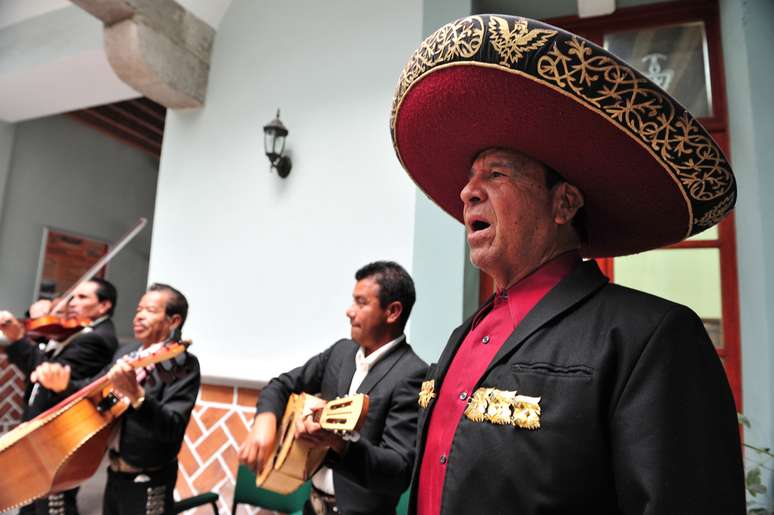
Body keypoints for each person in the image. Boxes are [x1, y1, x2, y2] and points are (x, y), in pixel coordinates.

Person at [389, 14, 745, 515]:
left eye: (496, 173)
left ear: (564, 204)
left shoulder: (650, 339)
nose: (467, 192)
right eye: (470, 178)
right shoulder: (463, 335)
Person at [239, 261, 428, 515]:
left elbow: (398, 471)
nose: (349, 311)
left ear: (392, 311)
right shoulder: (341, 352)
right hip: (312, 506)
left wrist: (340, 444)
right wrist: (265, 420)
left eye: (361, 303)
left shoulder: (412, 374)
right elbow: (281, 385)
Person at [33, 283, 200, 515]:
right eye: (138, 309)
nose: (139, 316)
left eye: (150, 311)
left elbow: (172, 426)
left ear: (173, 321)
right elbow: (94, 388)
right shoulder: (127, 353)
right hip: (114, 471)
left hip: (149, 479)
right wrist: (63, 385)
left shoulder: (183, 365)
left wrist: (137, 396)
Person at [0, 278, 119, 515]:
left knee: (54, 506)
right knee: (30, 503)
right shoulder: (76, 329)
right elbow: (40, 353)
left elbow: (49, 373)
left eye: (83, 297)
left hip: (59, 437)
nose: (73, 302)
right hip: (39, 430)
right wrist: (38, 317)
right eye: (73, 296)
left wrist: (19, 338)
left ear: (104, 306)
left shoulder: (98, 338)